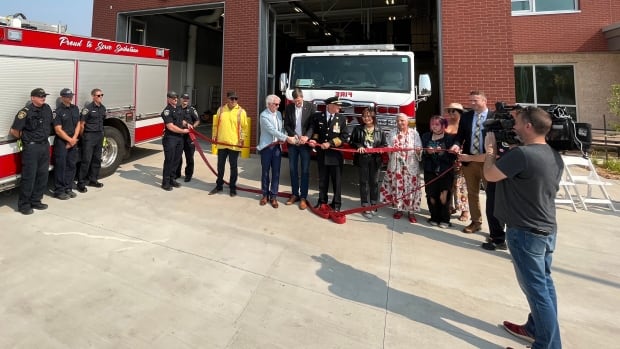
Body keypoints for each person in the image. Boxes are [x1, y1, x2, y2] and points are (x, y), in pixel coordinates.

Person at [483, 107, 563, 349]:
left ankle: (546, 345)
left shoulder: (523, 156)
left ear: (528, 126)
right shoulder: (552, 154)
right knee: (545, 287)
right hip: (545, 229)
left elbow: (490, 175)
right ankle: (535, 329)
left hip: (526, 232)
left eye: (517, 122)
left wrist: (490, 150)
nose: (513, 126)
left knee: (538, 293)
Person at [450, 91, 506, 251]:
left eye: (475, 100)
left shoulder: (494, 117)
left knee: (493, 196)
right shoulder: (467, 117)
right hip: (469, 161)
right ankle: (476, 222)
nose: (472, 103)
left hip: (489, 162)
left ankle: (497, 231)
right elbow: (460, 136)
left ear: (484, 101)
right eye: (470, 101)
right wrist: (456, 144)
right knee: (472, 193)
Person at [10, 88, 54, 215]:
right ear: (32, 98)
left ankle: (36, 200)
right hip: (31, 148)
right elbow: (14, 131)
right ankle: (24, 205)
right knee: (29, 177)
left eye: (44, 96)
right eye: (40, 96)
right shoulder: (25, 112)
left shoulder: (47, 108)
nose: (43, 98)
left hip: (44, 145)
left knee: (42, 175)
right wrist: (26, 140)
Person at [307, 96, 349, 212]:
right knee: (322, 180)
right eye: (337, 105)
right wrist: (314, 140)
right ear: (329, 106)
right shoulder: (318, 117)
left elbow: (344, 136)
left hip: (335, 155)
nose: (339, 107)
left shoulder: (341, 119)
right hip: (322, 154)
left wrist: (330, 143)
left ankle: (336, 204)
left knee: (337, 181)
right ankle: (322, 201)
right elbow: (316, 132)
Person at [380, 113, 423, 223]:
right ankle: (399, 210)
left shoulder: (414, 133)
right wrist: (389, 150)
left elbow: (419, 147)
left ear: (407, 122)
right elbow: (388, 146)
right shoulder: (392, 133)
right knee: (398, 188)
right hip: (397, 166)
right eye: (398, 121)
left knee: (411, 189)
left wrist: (419, 151)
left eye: (402, 121)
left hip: (410, 166)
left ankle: (411, 212)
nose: (400, 123)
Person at [257, 94, 296, 208]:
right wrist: (287, 138)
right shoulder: (263, 115)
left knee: (276, 172)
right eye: (276, 104)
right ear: (269, 104)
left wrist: (283, 136)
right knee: (265, 172)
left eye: (279, 104)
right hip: (267, 147)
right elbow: (271, 130)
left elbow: (281, 128)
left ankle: (273, 196)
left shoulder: (278, 114)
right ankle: (265, 195)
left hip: (276, 148)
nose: (278, 106)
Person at [348, 107, 387, 219]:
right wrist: (359, 146)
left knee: (374, 182)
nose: (366, 118)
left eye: (369, 116)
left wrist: (379, 149)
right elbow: (351, 142)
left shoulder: (380, 130)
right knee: (363, 182)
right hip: (362, 159)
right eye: (364, 116)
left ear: (373, 117)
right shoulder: (358, 129)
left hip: (375, 159)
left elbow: (384, 144)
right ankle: (365, 204)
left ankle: (373, 203)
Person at [209, 91, 248, 197]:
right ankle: (219, 186)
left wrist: (242, 139)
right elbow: (216, 125)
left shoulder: (241, 112)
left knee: (233, 166)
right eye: (232, 99)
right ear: (227, 99)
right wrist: (214, 137)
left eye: (236, 99)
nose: (234, 101)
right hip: (221, 143)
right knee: (220, 166)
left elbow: (244, 127)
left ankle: (232, 187)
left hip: (234, 144)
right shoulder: (221, 110)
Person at [421, 115, 457, 228]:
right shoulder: (426, 136)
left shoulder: (449, 138)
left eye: (437, 124)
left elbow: (453, 157)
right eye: (432, 124)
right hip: (430, 170)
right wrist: (428, 152)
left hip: (445, 171)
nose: (434, 126)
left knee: (444, 196)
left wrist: (442, 152)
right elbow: (421, 153)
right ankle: (434, 217)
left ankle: (445, 219)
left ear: (443, 125)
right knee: (431, 196)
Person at [283, 88, 316, 210]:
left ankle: (303, 197)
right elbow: (286, 125)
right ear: (293, 100)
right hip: (293, 143)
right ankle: (294, 194)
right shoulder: (289, 108)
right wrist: (294, 135)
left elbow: (313, 125)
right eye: (295, 100)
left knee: (305, 170)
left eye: (299, 100)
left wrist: (307, 136)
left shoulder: (311, 107)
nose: (298, 102)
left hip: (305, 143)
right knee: (292, 169)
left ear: (302, 97)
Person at [52, 88, 82, 200]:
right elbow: (58, 129)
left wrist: (74, 139)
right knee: (61, 166)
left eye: (71, 96)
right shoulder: (58, 111)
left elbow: (78, 124)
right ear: (62, 97)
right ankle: (59, 191)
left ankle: (68, 188)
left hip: (73, 140)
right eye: (68, 96)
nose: (70, 98)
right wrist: (70, 140)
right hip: (62, 142)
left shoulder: (75, 108)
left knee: (71, 165)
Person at [77, 88, 106, 193]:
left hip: (99, 136)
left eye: (102, 95)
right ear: (93, 96)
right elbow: (82, 124)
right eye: (98, 95)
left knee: (97, 159)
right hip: (89, 136)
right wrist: (84, 137)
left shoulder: (103, 108)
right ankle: (81, 183)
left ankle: (93, 180)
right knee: (86, 160)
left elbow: (102, 121)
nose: (101, 97)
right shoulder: (87, 109)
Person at [445, 102, 470, 222]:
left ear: (460, 112)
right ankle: (450, 206)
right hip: (446, 158)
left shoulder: (464, 125)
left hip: (460, 158)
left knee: (460, 185)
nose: (450, 113)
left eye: (453, 111)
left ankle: (464, 210)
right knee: (448, 183)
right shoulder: (445, 124)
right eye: (449, 111)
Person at [160, 91, 189, 191]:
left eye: (176, 98)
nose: (175, 99)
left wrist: (186, 124)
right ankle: (165, 183)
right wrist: (183, 131)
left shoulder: (177, 109)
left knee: (176, 160)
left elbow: (180, 120)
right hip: (170, 139)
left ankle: (172, 179)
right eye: (173, 98)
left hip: (179, 139)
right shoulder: (166, 111)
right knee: (169, 161)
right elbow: (170, 126)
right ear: (168, 99)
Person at [175, 93, 200, 182]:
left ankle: (188, 175)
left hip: (189, 137)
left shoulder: (192, 109)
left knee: (189, 157)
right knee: (178, 156)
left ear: (188, 100)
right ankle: (177, 173)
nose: (185, 100)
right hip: (179, 136)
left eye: (187, 99)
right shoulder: (176, 109)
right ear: (180, 99)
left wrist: (193, 126)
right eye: (183, 99)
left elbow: (197, 120)